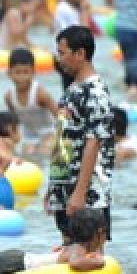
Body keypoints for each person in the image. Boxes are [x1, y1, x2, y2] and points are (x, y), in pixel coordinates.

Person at [47, 26, 114, 243]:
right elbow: (63, 139)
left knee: (90, 252)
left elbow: (94, 143)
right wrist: (54, 187)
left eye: (63, 53)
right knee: (67, 250)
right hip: (65, 186)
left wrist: (80, 192)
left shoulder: (95, 92)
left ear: (81, 54)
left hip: (88, 192)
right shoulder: (72, 89)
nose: (60, 59)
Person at [4, 48, 57, 155]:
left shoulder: (40, 94)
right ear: (9, 73)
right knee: (27, 153)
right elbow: (13, 123)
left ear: (33, 72)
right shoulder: (9, 97)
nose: (22, 77)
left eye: (26, 72)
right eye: (17, 72)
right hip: (29, 135)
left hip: (48, 132)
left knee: (45, 150)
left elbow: (59, 115)